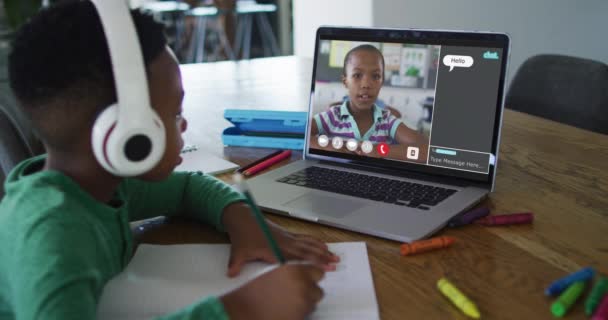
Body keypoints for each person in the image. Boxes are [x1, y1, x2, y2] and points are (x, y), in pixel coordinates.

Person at [0, 2, 338, 320]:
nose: (184, 124)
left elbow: (188, 188)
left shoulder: (100, 186)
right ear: (128, 135)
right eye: (175, 113)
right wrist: (241, 307)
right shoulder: (51, 238)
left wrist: (243, 220)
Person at [311, 44, 428, 159]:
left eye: (376, 76)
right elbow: (300, 136)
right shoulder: (331, 117)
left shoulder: (386, 121)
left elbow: (427, 149)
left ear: (381, 82)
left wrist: (379, 150)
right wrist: (327, 146)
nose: (366, 84)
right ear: (345, 81)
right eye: (357, 75)